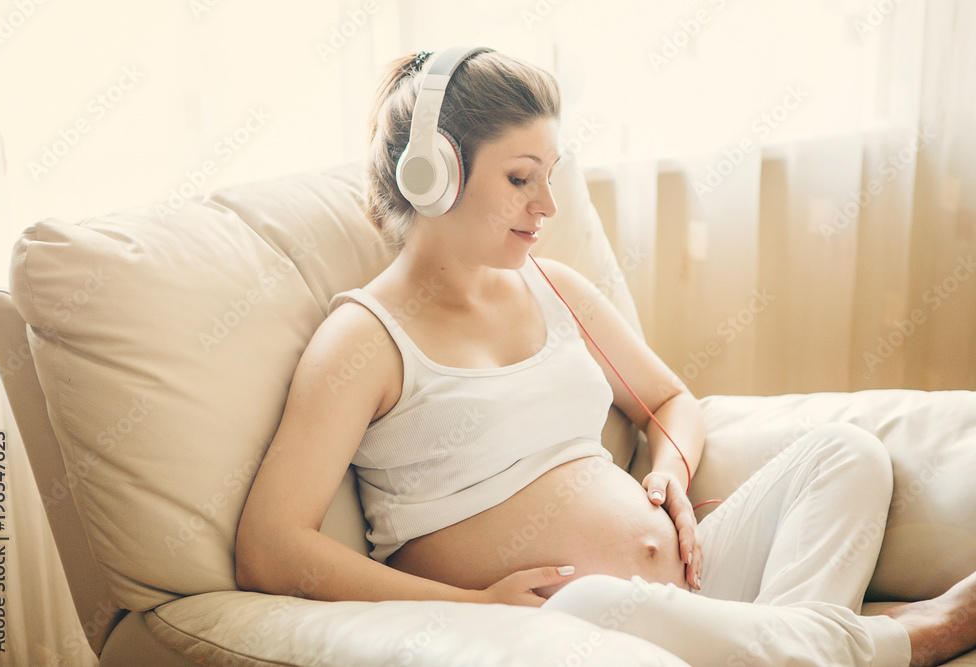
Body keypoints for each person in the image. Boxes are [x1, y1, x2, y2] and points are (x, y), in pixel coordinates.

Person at [235, 47, 976, 666]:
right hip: (572, 626)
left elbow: (671, 401)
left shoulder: (556, 288)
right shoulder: (366, 338)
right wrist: (473, 605)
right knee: (586, 597)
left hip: (696, 586)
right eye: (521, 178)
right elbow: (269, 549)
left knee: (845, 454)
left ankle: (790, 646)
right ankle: (908, 637)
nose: (548, 205)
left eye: (551, 175)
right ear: (434, 176)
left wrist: (669, 472)